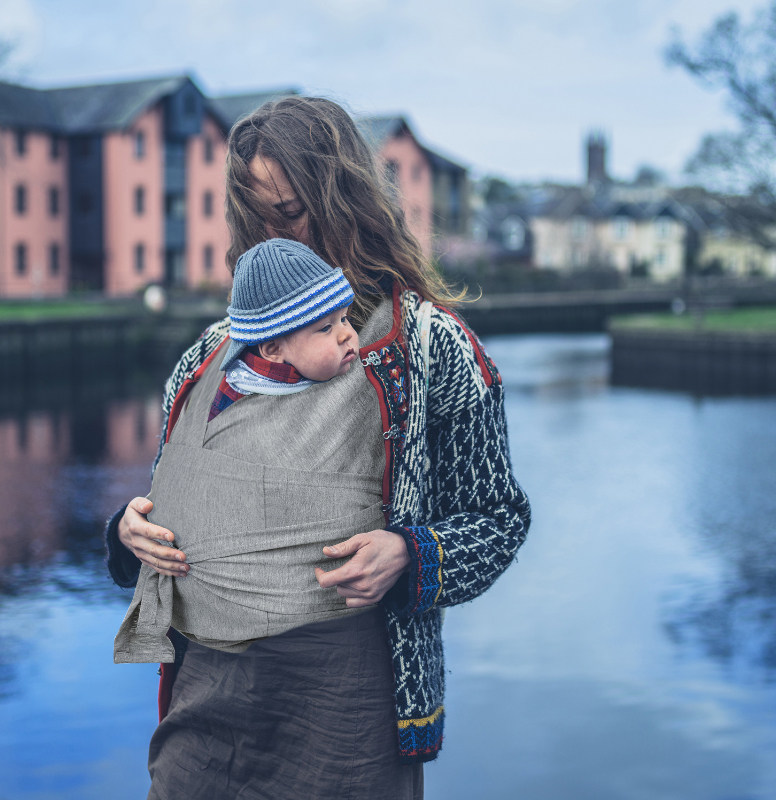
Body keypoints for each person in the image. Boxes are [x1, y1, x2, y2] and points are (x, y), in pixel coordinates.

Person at [104, 95, 531, 800]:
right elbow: (170, 521)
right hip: (207, 706)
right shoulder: (206, 361)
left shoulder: (431, 349)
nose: (280, 235)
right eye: (260, 216)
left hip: (350, 715)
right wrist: (129, 533)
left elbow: (499, 520)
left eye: (294, 212)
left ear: (346, 200)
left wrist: (409, 555)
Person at [113, 237, 365, 665]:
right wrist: (125, 528)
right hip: (210, 648)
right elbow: (177, 490)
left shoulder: (363, 386)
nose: (346, 335)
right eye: (325, 328)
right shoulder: (213, 392)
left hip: (329, 643)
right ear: (272, 349)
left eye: (346, 318)